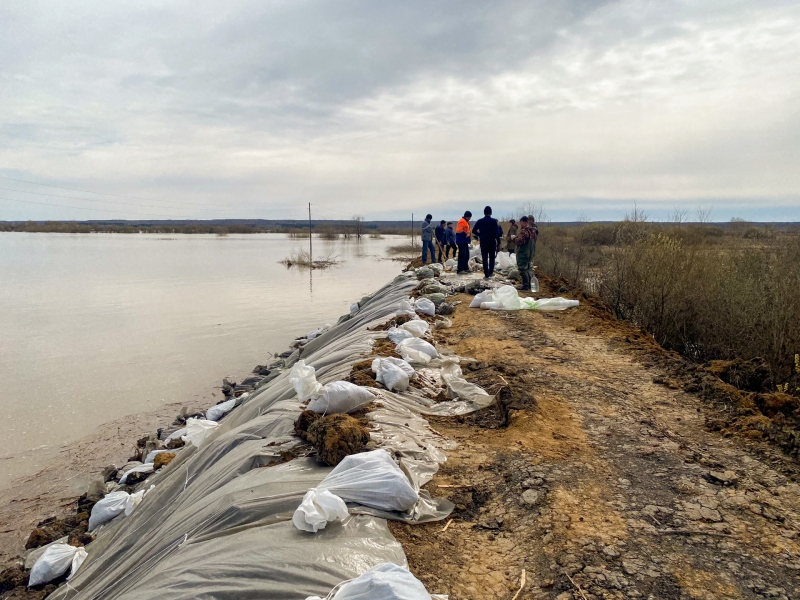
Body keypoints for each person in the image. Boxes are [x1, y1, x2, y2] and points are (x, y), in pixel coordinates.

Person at [472, 205, 502, 278]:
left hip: (483, 242)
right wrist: (499, 243)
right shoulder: (494, 221)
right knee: (492, 258)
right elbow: (497, 234)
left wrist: (480, 234)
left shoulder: (480, 221)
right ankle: (491, 272)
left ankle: (486, 274)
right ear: (491, 213)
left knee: (484, 258)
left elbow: (473, 230)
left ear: (484, 212)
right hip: (492, 242)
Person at [515, 216, 537, 291]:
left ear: (523, 222)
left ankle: (525, 285)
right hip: (530, 252)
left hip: (523, 252)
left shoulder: (524, 231)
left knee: (522, 269)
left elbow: (519, 241)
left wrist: (514, 238)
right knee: (528, 268)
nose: (520, 224)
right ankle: (531, 284)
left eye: (521, 222)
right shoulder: (533, 231)